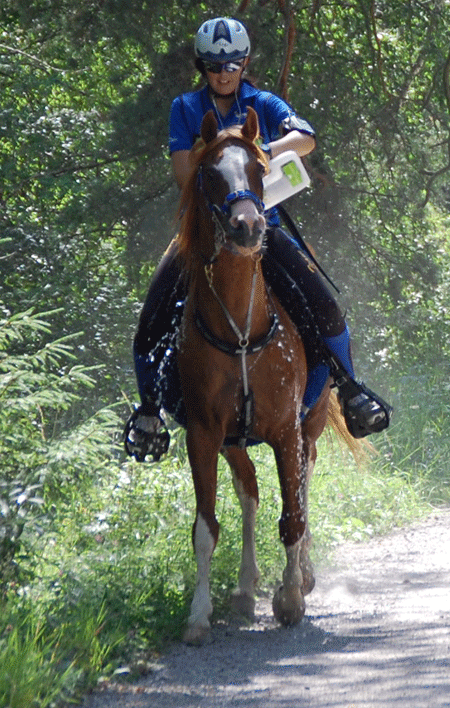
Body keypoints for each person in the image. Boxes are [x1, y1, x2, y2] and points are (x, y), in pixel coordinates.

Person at [124, 17, 392, 462]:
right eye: (214, 65)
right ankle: (150, 412)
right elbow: (182, 174)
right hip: (206, 234)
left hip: (262, 227)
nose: (224, 73)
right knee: (151, 315)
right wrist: (228, 155)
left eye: (232, 64)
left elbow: (305, 139)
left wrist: (261, 151)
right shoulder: (185, 107)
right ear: (202, 66)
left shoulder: (262, 102)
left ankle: (349, 388)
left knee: (323, 302)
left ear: (244, 63)